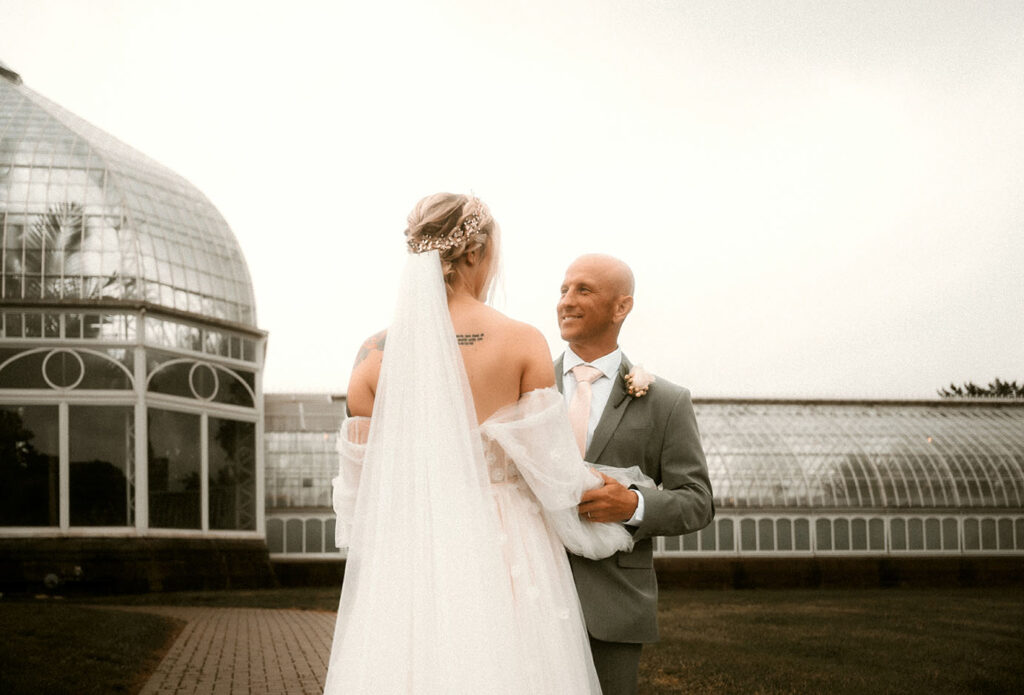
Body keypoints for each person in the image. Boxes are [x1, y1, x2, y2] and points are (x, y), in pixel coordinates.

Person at [324, 194, 645, 694]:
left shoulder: (371, 354)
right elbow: (555, 476)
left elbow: (358, 496)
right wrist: (622, 493)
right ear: (473, 253)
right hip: (507, 546)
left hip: (411, 549)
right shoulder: (519, 340)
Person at [556, 253, 715, 695]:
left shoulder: (666, 400)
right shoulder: (525, 385)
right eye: (563, 289)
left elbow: (698, 501)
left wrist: (634, 505)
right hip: (527, 589)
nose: (566, 301)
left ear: (621, 307)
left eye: (583, 290)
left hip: (614, 602)